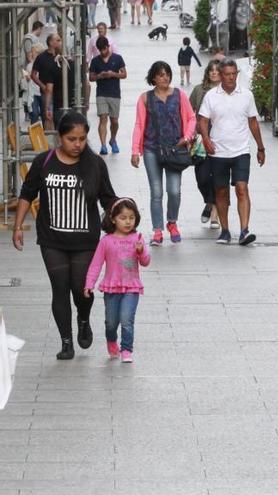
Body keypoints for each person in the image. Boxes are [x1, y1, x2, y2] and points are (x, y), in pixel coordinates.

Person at [11, 112, 117, 360]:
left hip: (85, 239)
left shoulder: (95, 164)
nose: (77, 144)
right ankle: (66, 342)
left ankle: (83, 317)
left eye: (82, 139)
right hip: (52, 239)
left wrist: (121, 223)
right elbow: (27, 194)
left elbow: (108, 198)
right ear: (60, 137)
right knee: (59, 288)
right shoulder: (44, 162)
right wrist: (17, 227)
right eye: (71, 139)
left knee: (81, 289)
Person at [197, 58, 266, 246]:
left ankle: (244, 230)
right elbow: (202, 120)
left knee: (242, 189)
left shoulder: (246, 95)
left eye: (234, 74)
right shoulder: (211, 95)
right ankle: (225, 230)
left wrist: (260, 147)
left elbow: (253, 122)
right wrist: (206, 139)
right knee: (221, 192)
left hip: (241, 150)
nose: (230, 78)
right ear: (220, 75)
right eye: (227, 74)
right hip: (218, 152)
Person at [130, 61, 197, 246]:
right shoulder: (145, 98)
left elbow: (191, 118)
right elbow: (138, 125)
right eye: (160, 74)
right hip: (152, 149)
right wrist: (135, 150)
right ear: (153, 78)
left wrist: (187, 136)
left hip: (175, 149)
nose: (165, 77)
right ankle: (157, 230)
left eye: (167, 74)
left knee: (174, 191)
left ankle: (172, 222)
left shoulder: (179, 95)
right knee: (156, 192)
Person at [84, 198, 150, 364]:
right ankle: (111, 340)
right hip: (111, 288)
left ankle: (126, 349)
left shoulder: (138, 238)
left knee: (127, 319)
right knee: (111, 322)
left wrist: (141, 252)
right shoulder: (106, 241)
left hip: (131, 288)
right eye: (123, 218)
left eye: (131, 217)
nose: (128, 222)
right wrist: (89, 284)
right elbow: (96, 264)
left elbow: (146, 262)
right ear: (113, 219)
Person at [188, 59, 222, 229]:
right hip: (201, 139)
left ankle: (215, 214)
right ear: (208, 72)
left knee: (218, 176)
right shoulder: (199, 90)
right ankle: (209, 202)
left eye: (217, 70)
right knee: (202, 177)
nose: (214, 73)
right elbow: (188, 111)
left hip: (222, 139)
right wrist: (190, 132)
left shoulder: (227, 91)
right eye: (212, 70)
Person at [89, 36, 126, 155]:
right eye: (100, 50)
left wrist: (113, 74)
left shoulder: (118, 58)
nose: (103, 52)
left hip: (115, 93)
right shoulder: (95, 61)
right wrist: (100, 76)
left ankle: (113, 139)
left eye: (104, 49)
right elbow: (91, 77)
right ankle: (103, 145)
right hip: (101, 94)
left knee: (114, 120)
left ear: (108, 47)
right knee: (103, 118)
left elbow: (124, 74)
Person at [30, 33, 62, 130]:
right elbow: (33, 75)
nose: (60, 42)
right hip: (47, 92)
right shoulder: (41, 57)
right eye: (58, 40)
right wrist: (43, 86)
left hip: (60, 92)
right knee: (48, 117)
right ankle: (48, 139)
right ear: (51, 42)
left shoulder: (60, 56)